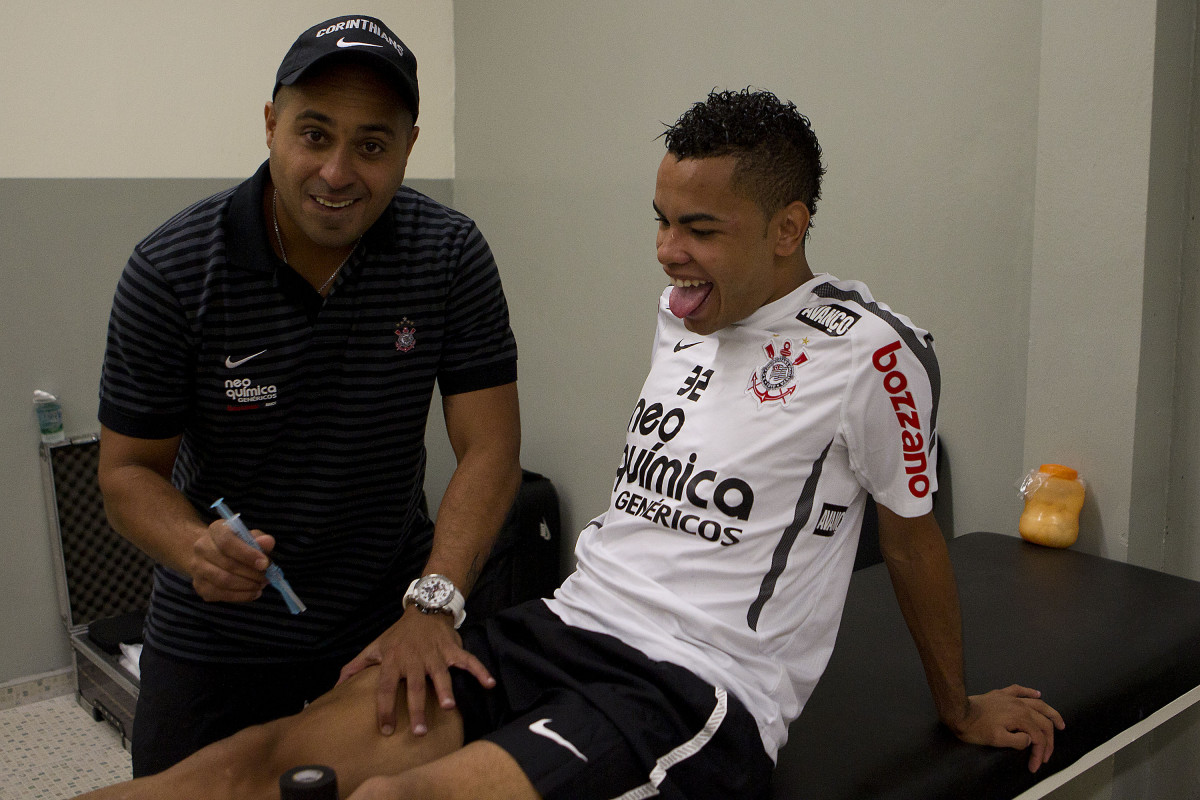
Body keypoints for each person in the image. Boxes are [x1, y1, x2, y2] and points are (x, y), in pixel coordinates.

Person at [81, 88, 1063, 800]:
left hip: (687, 681)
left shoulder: (874, 353)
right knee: (249, 763)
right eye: (661, 221)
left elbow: (915, 536)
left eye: (700, 228)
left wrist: (960, 703)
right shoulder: (685, 313)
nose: (668, 249)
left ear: (787, 226)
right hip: (557, 626)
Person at [95, 14, 521, 777]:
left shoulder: (448, 253)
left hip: (388, 622)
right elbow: (126, 474)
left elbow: (490, 447)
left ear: (408, 148)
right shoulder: (173, 269)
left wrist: (434, 603)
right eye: (314, 134)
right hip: (217, 633)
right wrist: (197, 547)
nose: (337, 172)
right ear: (270, 126)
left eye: (371, 143)